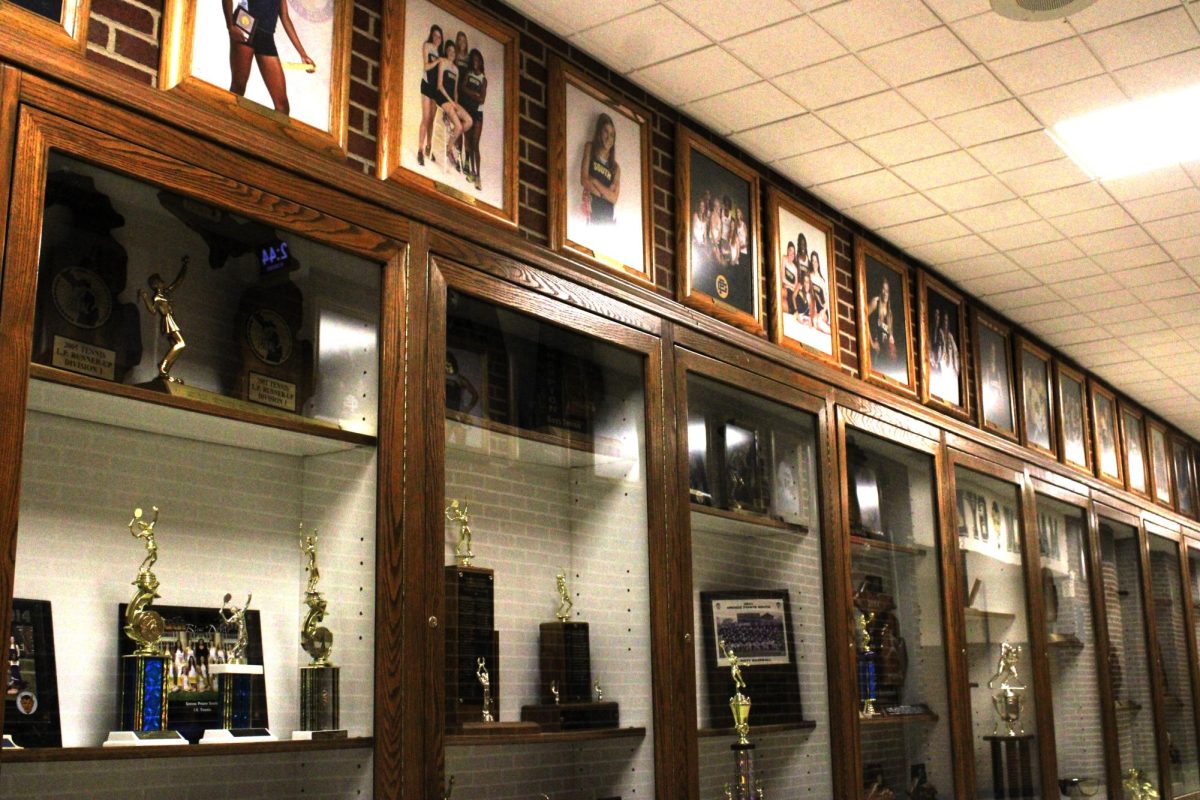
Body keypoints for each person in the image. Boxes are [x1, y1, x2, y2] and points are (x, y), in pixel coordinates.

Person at [223, 0, 315, 116]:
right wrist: (230, 26)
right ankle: (225, 127)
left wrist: (302, 54)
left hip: (266, 35)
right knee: (238, 87)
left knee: (282, 106)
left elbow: (284, 16)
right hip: (245, 22)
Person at [138, 258, 189, 382]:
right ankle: (163, 367)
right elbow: (153, 311)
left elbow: (177, 282)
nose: (163, 282)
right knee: (181, 344)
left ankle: (164, 370)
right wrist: (145, 298)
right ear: (156, 285)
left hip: (171, 319)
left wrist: (185, 266)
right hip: (168, 321)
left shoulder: (165, 293)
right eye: (161, 281)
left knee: (177, 345)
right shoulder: (157, 297)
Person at [435, 41, 473, 170]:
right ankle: (449, 149)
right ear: (446, 52)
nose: (452, 53)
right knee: (458, 126)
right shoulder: (443, 63)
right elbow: (439, 85)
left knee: (468, 121)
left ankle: (452, 139)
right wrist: (451, 102)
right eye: (449, 51)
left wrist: (455, 103)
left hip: (451, 101)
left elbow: (455, 91)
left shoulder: (456, 69)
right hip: (442, 97)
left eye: (453, 51)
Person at [580, 113, 620, 225]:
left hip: (608, 217)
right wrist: (606, 193)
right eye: (605, 132)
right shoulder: (589, 148)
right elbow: (584, 180)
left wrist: (595, 181)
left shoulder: (615, 168)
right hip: (592, 213)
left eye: (612, 134)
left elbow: (614, 198)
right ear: (599, 132)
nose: (609, 138)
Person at [459, 49, 488, 190]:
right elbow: (463, 88)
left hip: (477, 113)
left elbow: (482, 100)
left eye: (477, 60)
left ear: (481, 61)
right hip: (467, 109)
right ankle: (470, 171)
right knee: (468, 140)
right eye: (473, 60)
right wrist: (474, 93)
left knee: (476, 144)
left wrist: (474, 95)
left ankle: (478, 176)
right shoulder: (468, 74)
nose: (475, 62)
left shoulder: (483, 79)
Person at [416, 25, 444, 167]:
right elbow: (426, 67)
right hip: (426, 85)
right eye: (435, 35)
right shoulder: (427, 46)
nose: (437, 39)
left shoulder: (440, 52)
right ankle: (420, 150)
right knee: (426, 118)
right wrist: (437, 61)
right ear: (431, 36)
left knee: (432, 119)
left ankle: (429, 147)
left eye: (439, 36)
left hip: (435, 89)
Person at [866, 277, 897, 364]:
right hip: (872, 350)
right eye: (883, 290)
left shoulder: (889, 313)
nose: (885, 293)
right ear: (880, 290)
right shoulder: (875, 302)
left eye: (887, 291)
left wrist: (891, 347)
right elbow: (863, 317)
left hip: (882, 355)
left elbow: (890, 335)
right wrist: (871, 342)